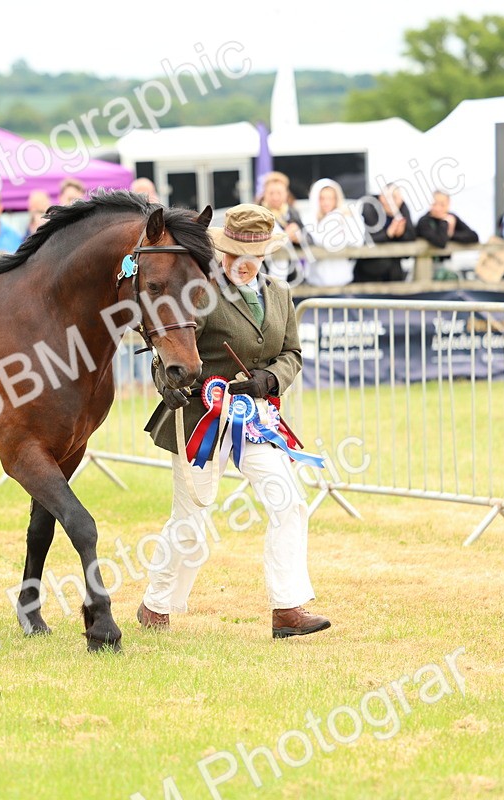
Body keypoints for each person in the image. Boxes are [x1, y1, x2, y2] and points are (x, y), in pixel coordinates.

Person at [139, 204, 331, 639]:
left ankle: (287, 608)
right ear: (223, 252)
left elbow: (291, 354)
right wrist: (168, 384)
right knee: (191, 522)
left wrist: (269, 379)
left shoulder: (280, 293)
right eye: (236, 255)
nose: (244, 265)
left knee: (289, 502)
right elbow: (166, 348)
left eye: (255, 256)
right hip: (200, 417)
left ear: (265, 255)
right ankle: (156, 603)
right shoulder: (199, 293)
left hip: (256, 420)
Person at [255, 172, 309, 281]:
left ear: (286, 194)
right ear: (264, 194)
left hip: (291, 276)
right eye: (271, 193)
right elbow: (253, 243)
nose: (275, 197)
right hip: (262, 275)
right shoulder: (256, 214)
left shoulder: (293, 213)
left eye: (279, 193)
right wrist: (283, 237)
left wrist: (299, 237)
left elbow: (309, 239)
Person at [305, 178, 359, 287]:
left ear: (336, 199)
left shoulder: (347, 216)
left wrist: (346, 219)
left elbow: (356, 241)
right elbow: (321, 241)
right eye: (322, 198)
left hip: (342, 281)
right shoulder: (309, 219)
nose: (326, 202)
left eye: (330, 198)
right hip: (315, 282)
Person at [358, 183, 416, 282]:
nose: (391, 202)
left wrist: (400, 234)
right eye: (388, 197)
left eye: (395, 198)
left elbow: (411, 236)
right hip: (369, 272)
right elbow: (366, 239)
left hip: (393, 272)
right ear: (381, 197)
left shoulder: (402, 208)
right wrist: (388, 234)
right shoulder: (369, 207)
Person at [416, 190, 480, 271]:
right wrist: (445, 223)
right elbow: (440, 242)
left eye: (442, 205)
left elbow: (474, 236)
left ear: (448, 205)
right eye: (435, 204)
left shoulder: (452, 217)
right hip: (425, 267)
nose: (438, 208)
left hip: (446, 266)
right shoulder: (424, 221)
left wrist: (452, 235)